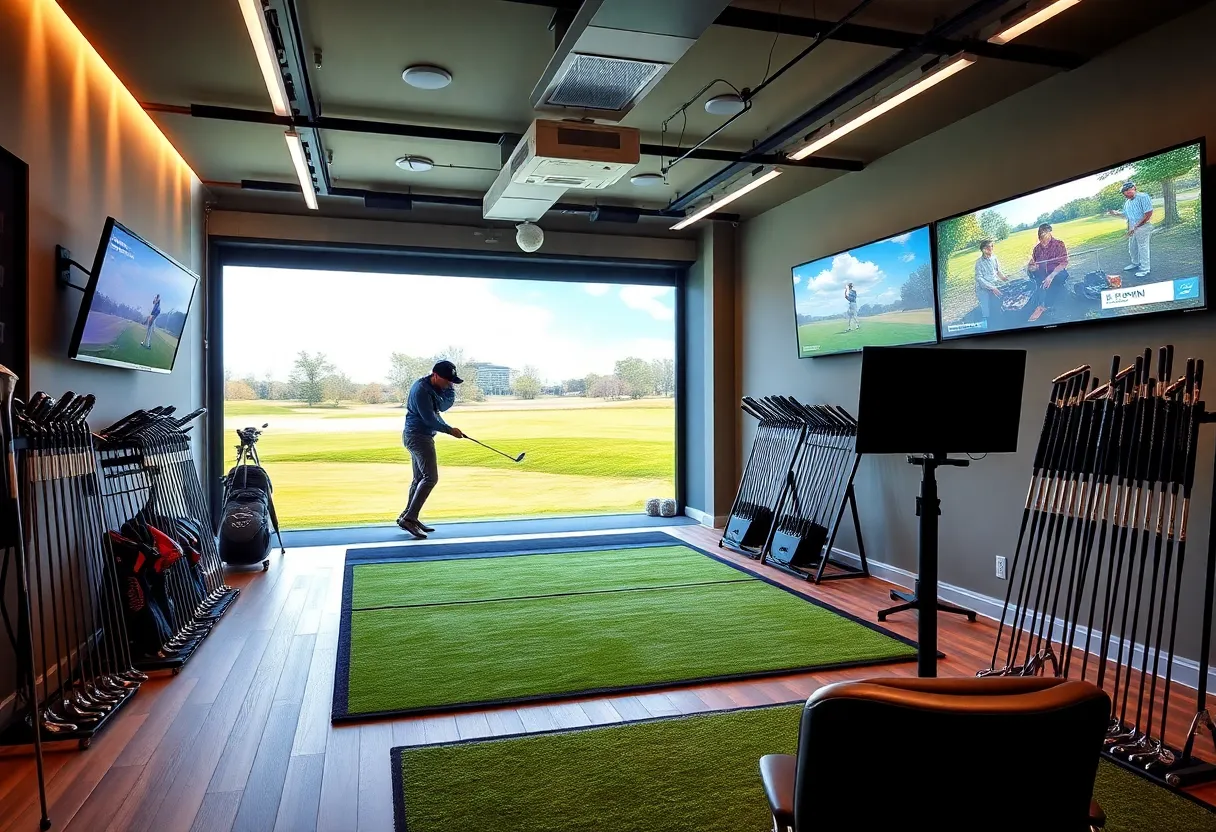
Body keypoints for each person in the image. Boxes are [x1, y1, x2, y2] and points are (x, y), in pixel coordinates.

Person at [396, 360, 465, 539]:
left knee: (419, 478)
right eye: (447, 380)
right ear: (435, 375)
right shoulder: (421, 390)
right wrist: (450, 430)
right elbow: (430, 419)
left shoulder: (438, 387)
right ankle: (410, 518)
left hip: (420, 436)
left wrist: (449, 389)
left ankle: (407, 516)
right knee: (430, 478)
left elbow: (442, 407)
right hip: (418, 436)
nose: (450, 384)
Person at [1108, 180, 1153, 278]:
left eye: (1128, 192)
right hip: (1132, 228)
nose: (1126, 194)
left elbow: (1148, 214)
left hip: (1144, 227)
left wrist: (1136, 226)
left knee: (1143, 247)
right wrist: (1115, 213)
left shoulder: (1143, 197)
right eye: (1125, 193)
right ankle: (1135, 263)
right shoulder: (1127, 203)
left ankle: (1145, 269)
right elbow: (1125, 214)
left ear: (1134, 189)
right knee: (1132, 247)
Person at [1026, 223, 1069, 322]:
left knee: (1058, 278)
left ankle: (1044, 306)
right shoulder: (1036, 249)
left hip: (1056, 272)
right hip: (1042, 274)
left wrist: (1051, 276)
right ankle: (1040, 304)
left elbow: (1063, 263)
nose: (1042, 240)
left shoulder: (1059, 244)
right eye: (1040, 236)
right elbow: (1035, 265)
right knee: (1037, 281)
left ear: (1050, 233)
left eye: (1045, 235)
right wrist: (1031, 267)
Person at [973, 240, 1008, 320]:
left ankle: (1000, 318)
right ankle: (986, 322)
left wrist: (1004, 278)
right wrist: (992, 288)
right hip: (983, 288)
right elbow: (979, 278)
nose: (991, 248)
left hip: (994, 284)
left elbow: (998, 271)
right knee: (986, 308)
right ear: (983, 249)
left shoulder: (994, 258)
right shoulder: (979, 262)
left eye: (992, 246)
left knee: (1001, 299)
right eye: (988, 247)